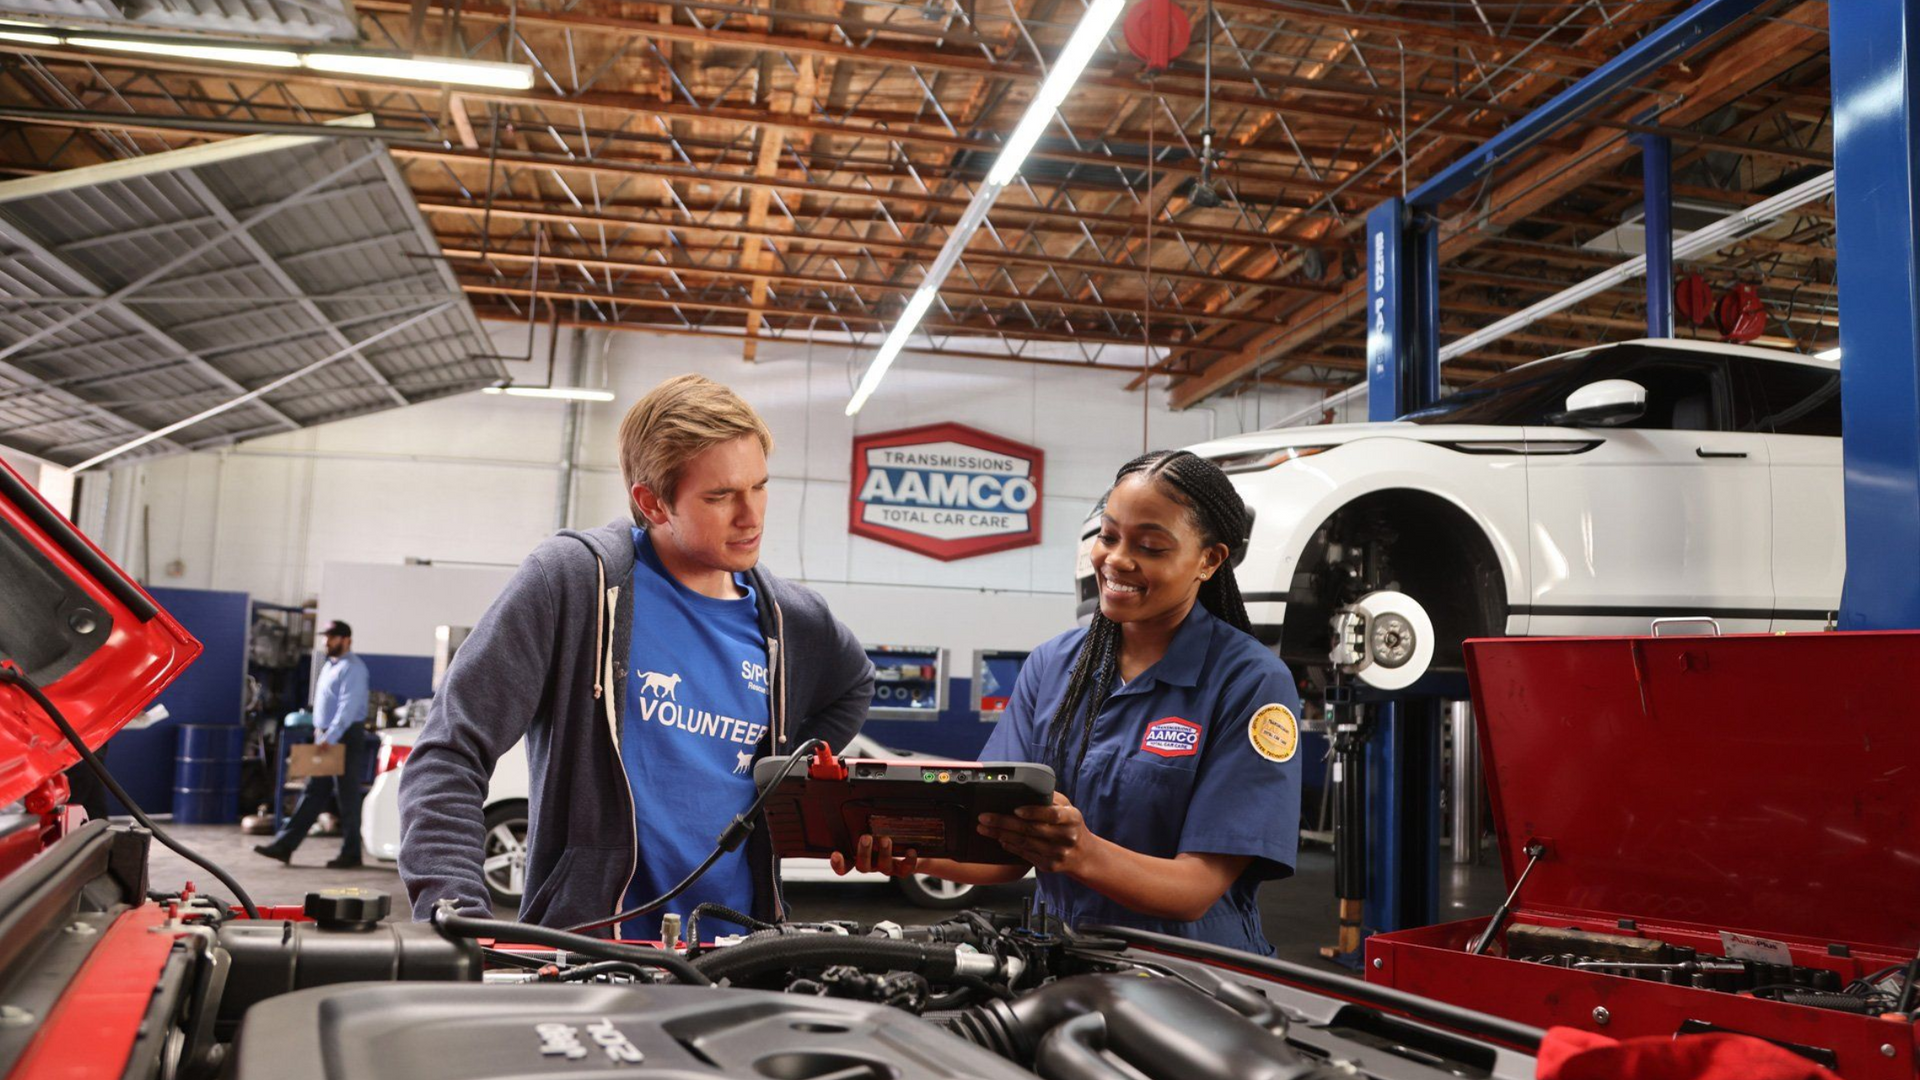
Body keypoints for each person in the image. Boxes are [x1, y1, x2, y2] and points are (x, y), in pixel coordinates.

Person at [400, 374, 874, 936]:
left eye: (760, 486)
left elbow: (854, 686)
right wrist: (455, 917)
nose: (751, 516)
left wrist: (785, 789)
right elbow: (449, 753)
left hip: (742, 955)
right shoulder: (575, 584)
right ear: (652, 502)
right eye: (721, 497)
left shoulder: (791, 618)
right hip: (591, 953)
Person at [837, 450, 1302, 955]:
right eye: (1108, 535)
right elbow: (1001, 852)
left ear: (1209, 560)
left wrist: (1082, 853)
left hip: (1197, 977)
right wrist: (902, 851)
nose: (1117, 559)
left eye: (1149, 545)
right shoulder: (1054, 665)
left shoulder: (1251, 683)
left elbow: (1194, 889)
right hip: (1063, 962)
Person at [255, 619, 370, 869]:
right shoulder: (331, 666)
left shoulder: (353, 668)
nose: (326, 641)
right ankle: (284, 846)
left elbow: (347, 708)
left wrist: (331, 737)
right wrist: (321, 731)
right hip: (328, 736)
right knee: (313, 793)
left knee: (348, 796)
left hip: (344, 737)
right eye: (325, 637)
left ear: (346, 640)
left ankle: (351, 853)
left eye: (332, 637)